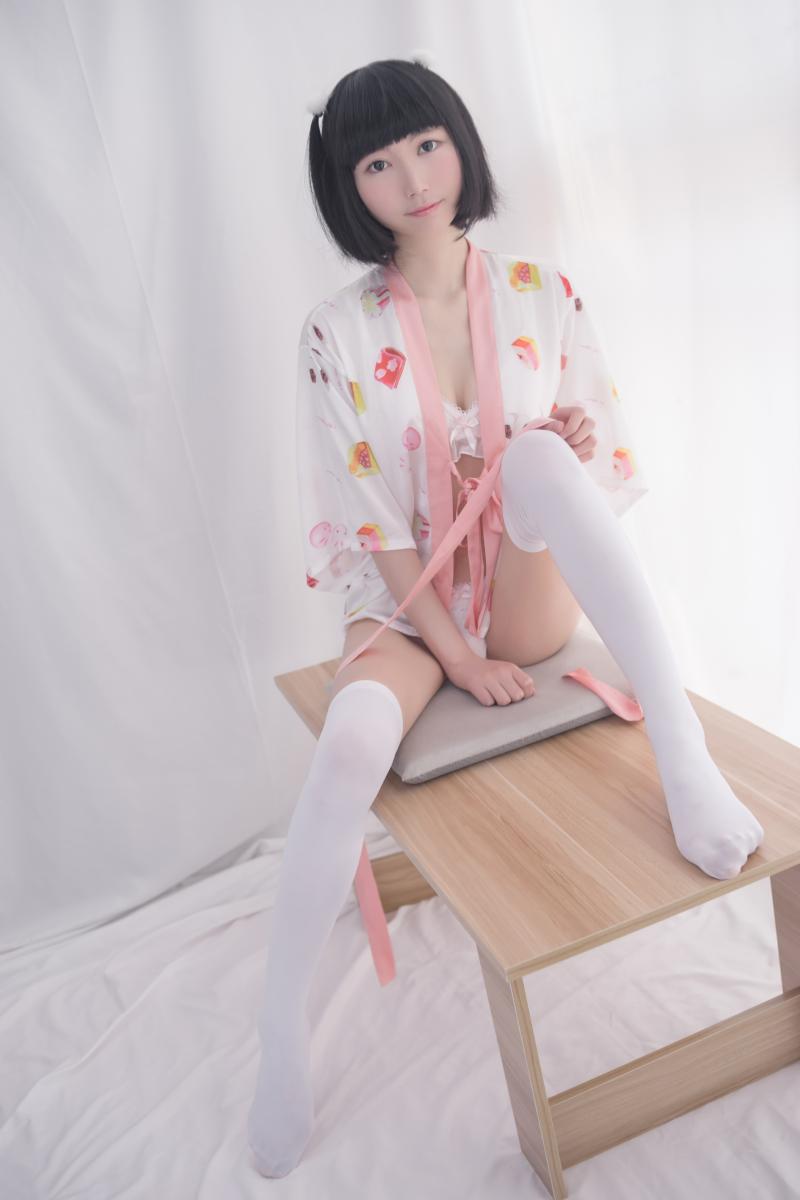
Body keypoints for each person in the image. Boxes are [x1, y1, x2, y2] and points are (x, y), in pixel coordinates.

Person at [248, 54, 764, 1178]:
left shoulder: (541, 290)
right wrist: (454, 658)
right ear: (347, 185)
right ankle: (280, 1034)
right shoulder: (334, 333)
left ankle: (684, 760)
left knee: (536, 456)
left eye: (426, 145)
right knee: (351, 741)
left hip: (522, 597)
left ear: (460, 144)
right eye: (376, 164)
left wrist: (559, 446)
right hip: (408, 606)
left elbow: (589, 453)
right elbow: (369, 523)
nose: (411, 178)